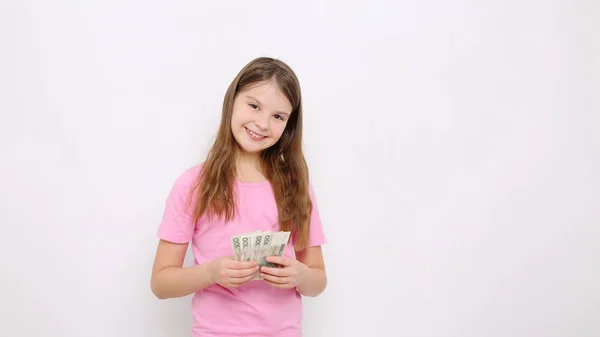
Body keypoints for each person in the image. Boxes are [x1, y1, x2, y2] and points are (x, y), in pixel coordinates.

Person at [150, 56, 327, 337]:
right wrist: (211, 273)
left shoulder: (296, 186)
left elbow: (318, 279)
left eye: (278, 116)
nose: (262, 123)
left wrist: (301, 276)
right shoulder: (194, 185)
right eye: (254, 106)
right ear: (232, 100)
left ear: (288, 125)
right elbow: (160, 283)